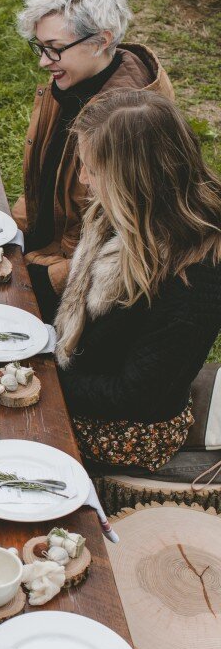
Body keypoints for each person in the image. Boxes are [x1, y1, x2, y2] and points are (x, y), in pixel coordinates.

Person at [54, 90, 221, 473]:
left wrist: (47, 383)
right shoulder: (129, 214)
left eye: (92, 170)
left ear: (136, 178)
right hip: (79, 378)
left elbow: (135, 396)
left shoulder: (195, 277)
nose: (83, 179)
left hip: (127, 432)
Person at [13, 0, 173, 322]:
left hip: (79, 295)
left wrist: (39, 278)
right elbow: (47, 183)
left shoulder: (127, 126)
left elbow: (129, 249)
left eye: (53, 48)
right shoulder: (73, 84)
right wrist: (10, 231)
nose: (43, 61)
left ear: (101, 40)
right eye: (39, 46)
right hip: (44, 258)